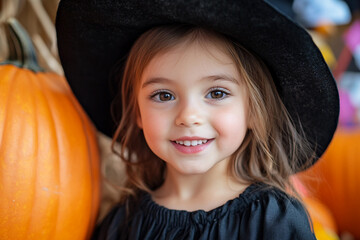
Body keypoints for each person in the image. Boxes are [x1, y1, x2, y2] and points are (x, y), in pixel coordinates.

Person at [55, 0, 339, 239]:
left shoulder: (272, 219)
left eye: (216, 92)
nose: (188, 116)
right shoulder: (123, 223)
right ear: (136, 112)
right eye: (163, 95)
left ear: (253, 110)